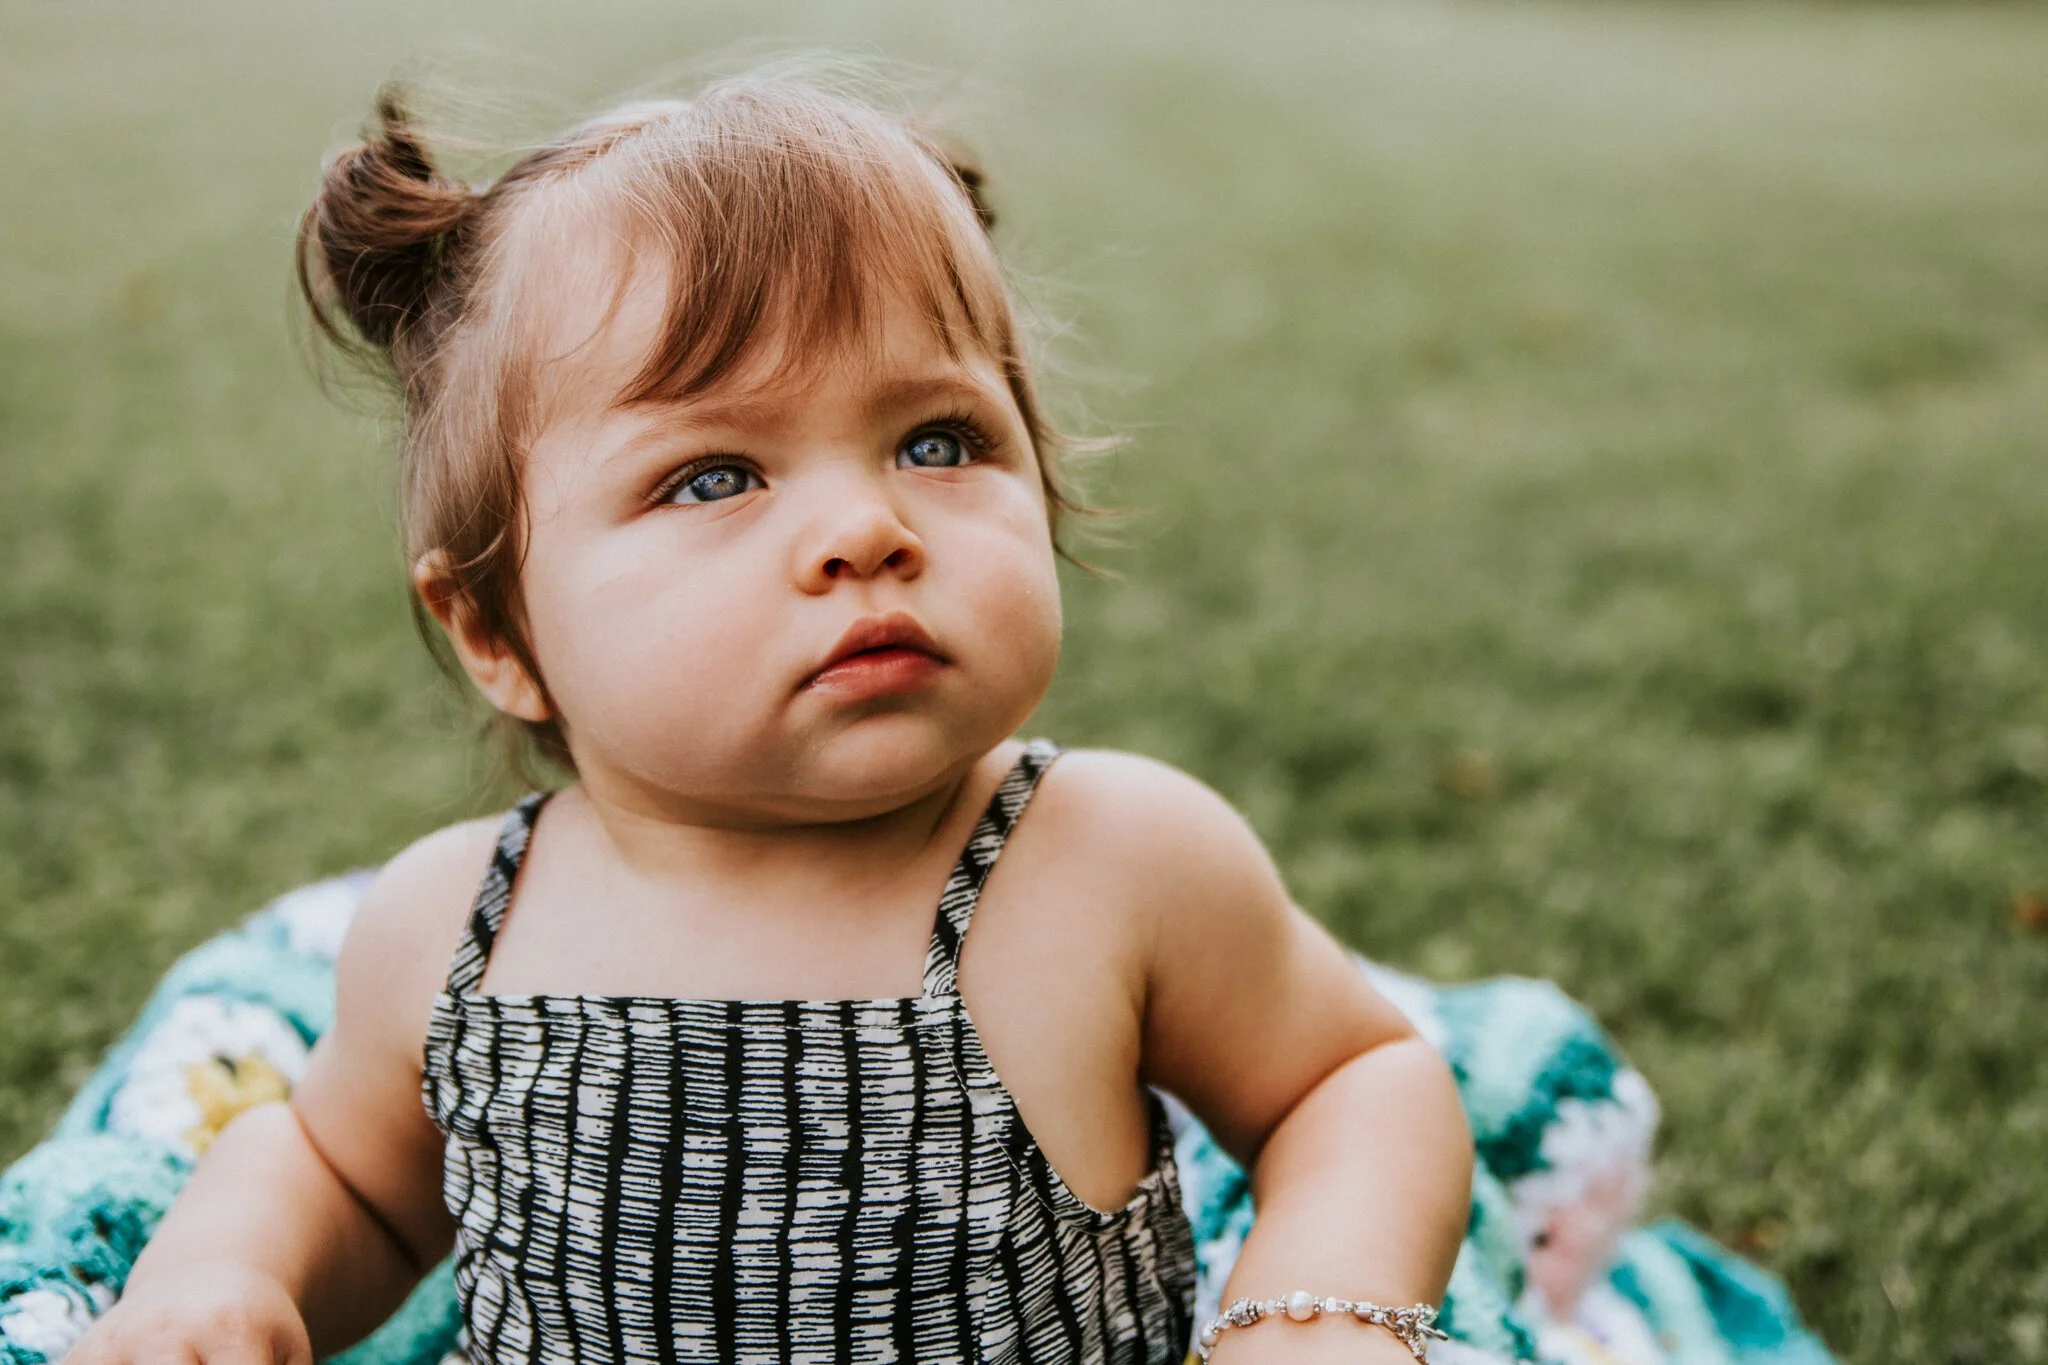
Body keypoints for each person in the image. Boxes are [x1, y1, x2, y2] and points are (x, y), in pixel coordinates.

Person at [65, 71, 1474, 1365]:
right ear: (497, 633)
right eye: (714, 477)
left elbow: (1352, 1078)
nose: (865, 527)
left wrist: (1321, 1318)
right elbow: (346, 1182)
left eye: (939, 441)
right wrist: (229, 1272)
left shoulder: (1113, 861)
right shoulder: (452, 930)